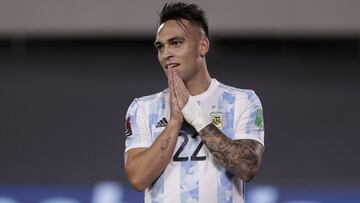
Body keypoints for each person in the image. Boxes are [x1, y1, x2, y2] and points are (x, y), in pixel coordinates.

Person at [124, 2, 265, 203]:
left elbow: (247, 167)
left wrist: (195, 116)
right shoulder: (143, 108)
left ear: (203, 46)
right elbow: (138, 179)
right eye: (160, 47)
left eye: (176, 43)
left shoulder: (242, 101)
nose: (166, 54)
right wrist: (174, 122)